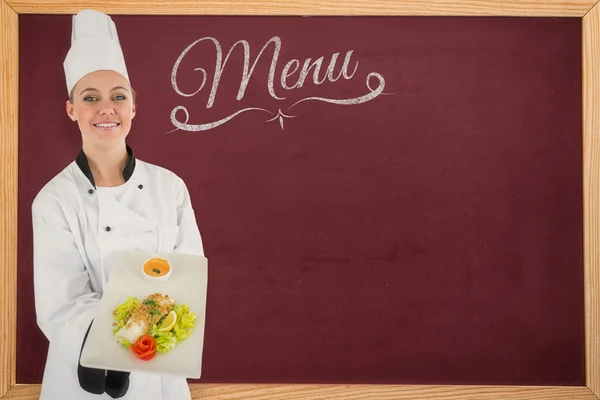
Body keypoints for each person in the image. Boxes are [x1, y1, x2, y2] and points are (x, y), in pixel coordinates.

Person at [31, 9, 204, 400]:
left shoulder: (169, 188)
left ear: (133, 108)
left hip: (161, 370)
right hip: (84, 374)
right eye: (90, 98)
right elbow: (62, 303)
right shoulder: (55, 199)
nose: (105, 109)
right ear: (72, 110)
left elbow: (187, 276)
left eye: (118, 97)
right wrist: (109, 350)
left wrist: (146, 333)